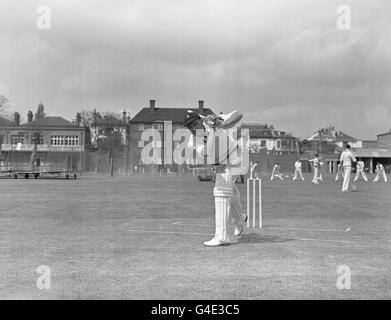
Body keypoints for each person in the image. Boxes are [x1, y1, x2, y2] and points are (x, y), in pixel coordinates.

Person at [183, 110, 248, 247]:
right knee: (229, 193)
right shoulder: (193, 140)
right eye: (190, 127)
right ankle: (240, 219)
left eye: (195, 124)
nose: (193, 129)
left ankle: (222, 236)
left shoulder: (211, 120)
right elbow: (207, 153)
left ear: (200, 120)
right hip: (220, 162)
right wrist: (213, 131)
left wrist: (221, 123)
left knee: (221, 191)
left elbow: (238, 114)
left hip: (235, 156)